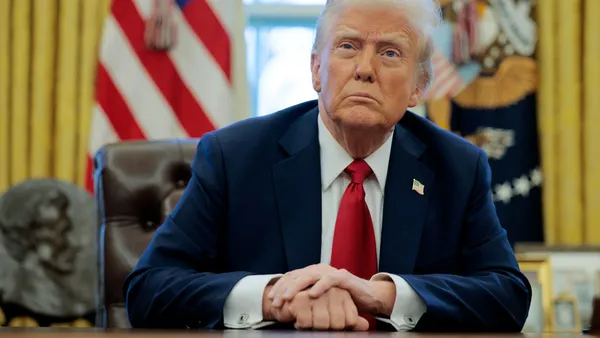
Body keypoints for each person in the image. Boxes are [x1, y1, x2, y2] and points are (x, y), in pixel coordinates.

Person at [124, 0, 532, 332]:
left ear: (418, 87)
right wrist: (274, 297)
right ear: (317, 70)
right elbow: (149, 289)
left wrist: (383, 295)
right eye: (347, 46)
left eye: (390, 53)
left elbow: (507, 295)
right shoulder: (235, 156)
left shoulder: (457, 167)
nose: (365, 69)